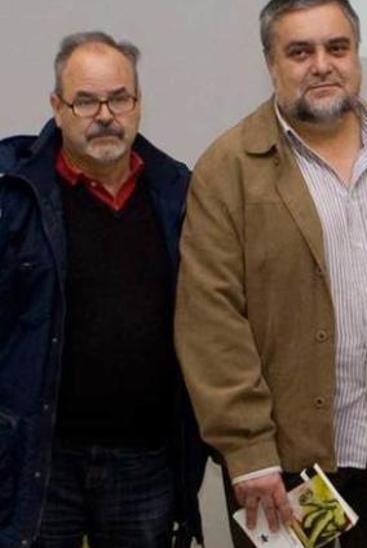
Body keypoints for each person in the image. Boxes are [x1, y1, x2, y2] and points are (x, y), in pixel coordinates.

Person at [174, 1, 367, 546]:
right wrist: (248, 451)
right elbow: (211, 319)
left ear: (356, 56)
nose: (322, 64)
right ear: (271, 63)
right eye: (300, 52)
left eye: (336, 48)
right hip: (288, 465)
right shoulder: (229, 168)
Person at [0, 31, 206, 548]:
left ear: (137, 103)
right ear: (57, 106)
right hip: (39, 460)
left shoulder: (178, 191)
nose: (105, 114)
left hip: (145, 460)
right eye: (86, 100)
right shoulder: (13, 192)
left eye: (119, 98)